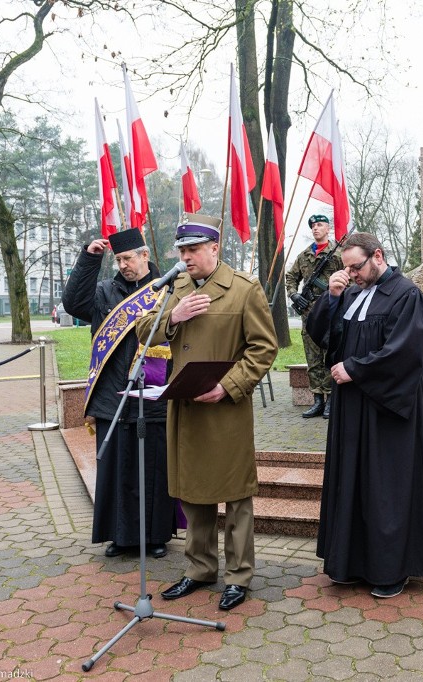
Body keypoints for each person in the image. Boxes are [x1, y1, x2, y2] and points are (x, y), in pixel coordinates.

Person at [135, 213, 278, 611]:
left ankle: (239, 576)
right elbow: (142, 329)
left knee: (235, 495)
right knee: (193, 492)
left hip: (225, 410)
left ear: (214, 248)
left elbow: (264, 349)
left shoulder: (244, 289)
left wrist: (228, 386)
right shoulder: (174, 287)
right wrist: (172, 317)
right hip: (185, 407)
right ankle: (199, 569)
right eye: (181, 250)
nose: (186, 257)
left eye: (193, 249)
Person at [305, 232, 423, 598]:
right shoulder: (348, 292)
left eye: (356, 266)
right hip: (352, 408)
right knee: (352, 480)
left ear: (378, 256)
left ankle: (390, 570)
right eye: (346, 268)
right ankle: (350, 563)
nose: (351, 274)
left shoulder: (407, 294)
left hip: (387, 408)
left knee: (386, 487)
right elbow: (322, 335)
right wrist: (331, 299)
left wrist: (356, 369)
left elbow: (405, 351)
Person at [62, 227, 176, 559]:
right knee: (116, 468)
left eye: (128, 258)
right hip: (113, 395)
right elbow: (73, 303)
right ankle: (119, 535)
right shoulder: (103, 293)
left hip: (154, 393)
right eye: (119, 259)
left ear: (145, 256)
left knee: (153, 469)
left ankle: (156, 536)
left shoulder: (168, 289)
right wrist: (89, 258)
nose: (124, 264)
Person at [285, 214, 343, 419]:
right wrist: (294, 294)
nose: (316, 228)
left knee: (330, 357)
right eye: (313, 226)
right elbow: (291, 277)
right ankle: (317, 400)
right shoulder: (304, 256)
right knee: (313, 359)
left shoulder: (338, 254)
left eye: (320, 225)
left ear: (328, 228)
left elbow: (351, 279)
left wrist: (335, 293)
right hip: (309, 314)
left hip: (331, 312)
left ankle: (330, 400)